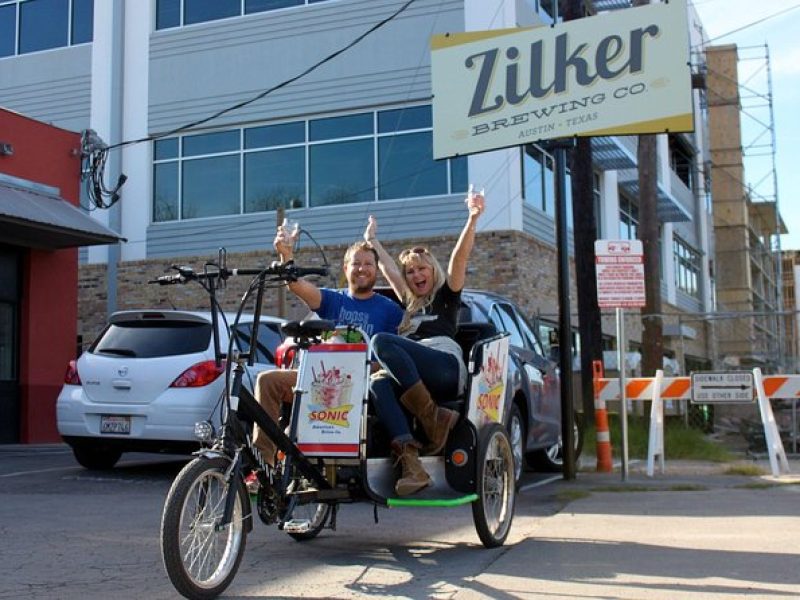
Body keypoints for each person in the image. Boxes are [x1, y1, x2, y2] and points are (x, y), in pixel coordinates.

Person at [252, 223, 404, 468]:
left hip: (358, 384)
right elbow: (297, 285)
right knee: (266, 381)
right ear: (346, 268)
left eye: (368, 264)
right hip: (317, 378)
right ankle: (264, 467)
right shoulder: (333, 299)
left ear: (376, 270)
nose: (362, 269)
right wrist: (286, 255)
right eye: (356, 263)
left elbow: (392, 357)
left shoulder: (390, 310)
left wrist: (365, 368)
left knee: (299, 425)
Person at [365, 189, 485, 496]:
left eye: (422, 268)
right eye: (411, 271)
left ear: (433, 270)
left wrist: (472, 219)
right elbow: (389, 269)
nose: (416, 274)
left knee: (382, 341)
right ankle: (412, 465)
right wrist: (373, 242)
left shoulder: (447, 296)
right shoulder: (409, 301)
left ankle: (433, 422)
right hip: (413, 375)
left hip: (443, 367)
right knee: (378, 384)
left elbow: (460, 259)